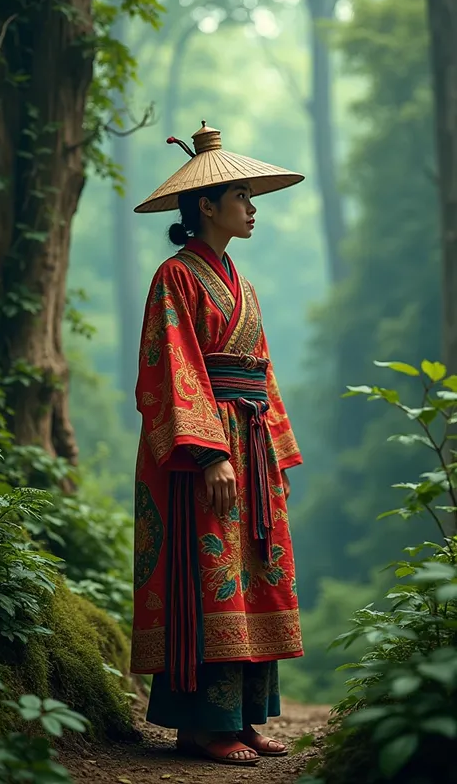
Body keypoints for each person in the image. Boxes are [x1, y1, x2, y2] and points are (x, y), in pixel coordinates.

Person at [130, 122, 305, 767]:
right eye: (244, 197)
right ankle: (204, 725)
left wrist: (275, 452)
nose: (253, 209)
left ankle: (247, 717)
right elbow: (171, 367)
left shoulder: (243, 285)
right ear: (208, 205)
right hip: (202, 450)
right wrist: (209, 452)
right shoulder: (174, 277)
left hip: (251, 443)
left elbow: (261, 370)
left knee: (255, 573)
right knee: (210, 575)